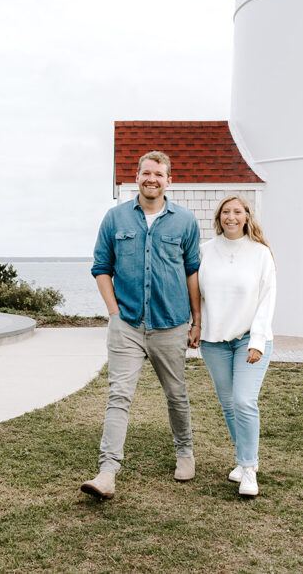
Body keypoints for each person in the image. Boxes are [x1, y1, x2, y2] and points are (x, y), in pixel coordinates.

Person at [80, 150, 202, 499]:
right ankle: (107, 472)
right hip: (127, 325)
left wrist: (198, 321)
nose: (152, 179)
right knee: (118, 395)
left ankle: (185, 453)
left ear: (168, 180)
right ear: (137, 177)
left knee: (176, 394)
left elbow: (192, 272)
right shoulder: (115, 218)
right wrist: (114, 313)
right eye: (146, 173)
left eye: (158, 174)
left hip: (171, 324)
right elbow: (101, 268)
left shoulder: (185, 221)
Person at [197, 195, 276, 496]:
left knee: (244, 401)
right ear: (218, 218)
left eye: (237, 212)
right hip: (214, 341)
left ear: (246, 218)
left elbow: (267, 299)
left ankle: (249, 469)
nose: (231, 217)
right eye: (226, 212)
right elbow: (196, 294)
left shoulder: (260, 253)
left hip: (249, 340)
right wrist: (196, 327)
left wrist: (257, 340)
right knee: (229, 405)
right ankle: (243, 463)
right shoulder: (205, 251)